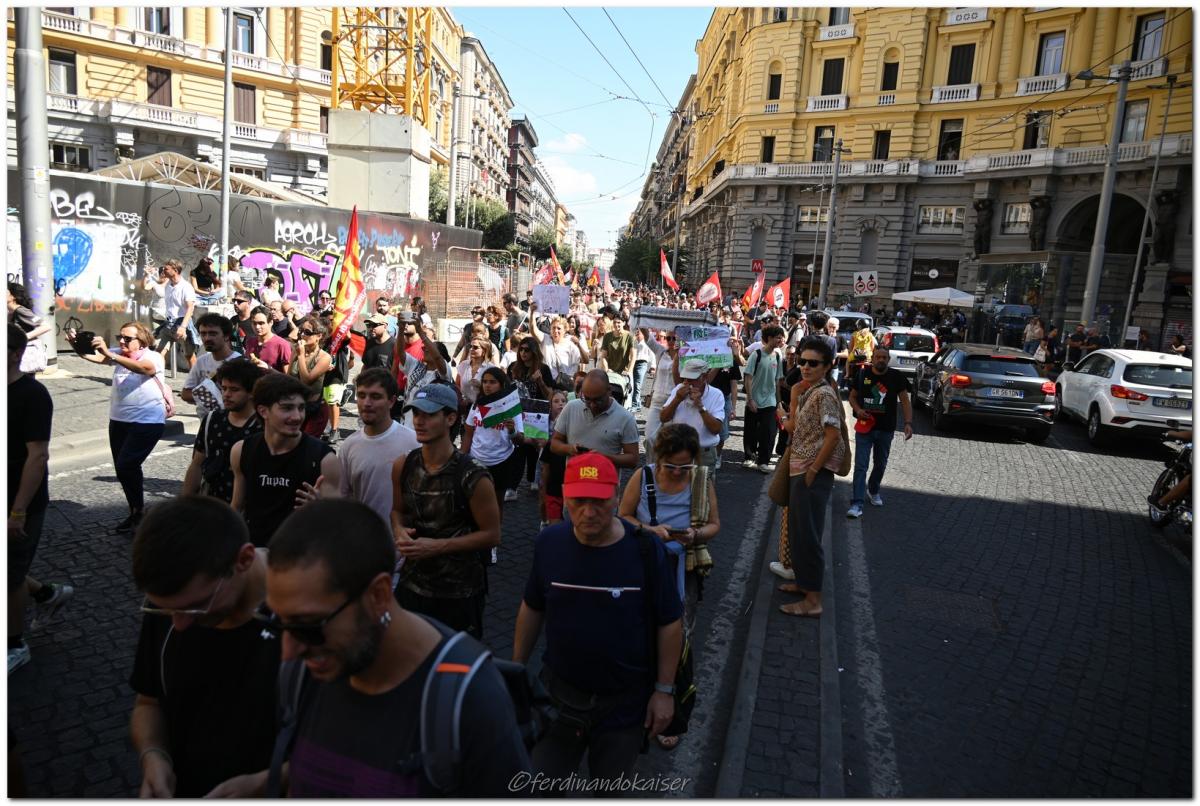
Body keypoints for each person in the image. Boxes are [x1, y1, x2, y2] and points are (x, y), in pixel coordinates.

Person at [209, 499, 529, 797]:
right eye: (279, 624)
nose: (289, 652)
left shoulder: (469, 701)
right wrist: (269, 782)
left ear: (377, 596)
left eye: (309, 627)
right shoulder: (303, 672)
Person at [512, 453, 683, 788]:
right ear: (564, 495)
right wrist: (516, 671)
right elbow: (532, 607)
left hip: (624, 706)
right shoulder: (549, 543)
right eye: (578, 501)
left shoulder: (648, 551)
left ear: (617, 495)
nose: (588, 513)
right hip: (558, 698)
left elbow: (670, 623)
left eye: (599, 501)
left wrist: (664, 691)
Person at [129, 496, 279, 797]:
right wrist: (154, 754)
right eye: (167, 609)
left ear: (244, 559)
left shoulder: (306, 614)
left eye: (197, 606)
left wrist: (271, 782)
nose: (179, 624)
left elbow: (349, 746)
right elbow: (148, 703)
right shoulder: (170, 606)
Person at [390, 384, 500, 639]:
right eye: (416, 414)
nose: (419, 421)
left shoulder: (473, 475)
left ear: (451, 418)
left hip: (459, 594)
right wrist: (398, 530)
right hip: (412, 586)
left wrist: (436, 547)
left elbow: (492, 535)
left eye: (428, 415)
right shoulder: (403, 464)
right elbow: (397, 511)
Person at [8, 325, 72, 675]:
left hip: (20, 500)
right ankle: (47, 594)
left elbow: (37, 457)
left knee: (9, 575)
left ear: (16, 353)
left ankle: (14, 644)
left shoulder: (32, 395)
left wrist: (17, 511)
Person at [67, 321, 168, 533]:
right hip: (119, 420)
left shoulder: (152, 356)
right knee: (124, 469)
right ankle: (136, 511)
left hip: (147, 421)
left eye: (127, 338)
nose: (121, 341)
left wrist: (110, 354)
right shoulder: (117, 353)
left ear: (141, 341)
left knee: (126, 465)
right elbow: (94, 357)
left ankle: (140, 511)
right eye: (119, 337)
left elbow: (144, 368)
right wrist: (77, 345)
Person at [230, 373, 340, 547]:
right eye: (287, 408)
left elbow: (338, 524)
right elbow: (237, 507)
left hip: (301, 561)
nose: (297, 416)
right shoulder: (242, 451)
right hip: (255, 556)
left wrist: (321, 508)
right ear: (263, 411)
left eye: (301, 408)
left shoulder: (324, 459)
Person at [778, 337, 846, 618]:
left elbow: (834, 435)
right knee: (798, 530)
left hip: (810, 472)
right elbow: (793, 426)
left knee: (808, 534)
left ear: (828, 366)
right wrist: (790, 403)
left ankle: (813, 600)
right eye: (802, 361)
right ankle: (805, 584)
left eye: (813, 363)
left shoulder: (825, 394)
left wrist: (814, 470)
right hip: (800, 468)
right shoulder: (809, 391)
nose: (805, 367)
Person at [338, 368, 419, 526]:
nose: (367, 403)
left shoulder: (413, 442)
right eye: (361, 395)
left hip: (405, 545)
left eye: (375, 397)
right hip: (364, 543)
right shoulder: (349, 446)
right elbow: (343, 497)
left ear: (392, 401)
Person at [181, 359, 265, 503]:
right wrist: (184, 504)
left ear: (252, 392)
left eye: (234, 389)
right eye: (224, 388)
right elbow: (197, 464)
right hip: (212, 504)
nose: (226, 394)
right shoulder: (212, 419)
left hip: (250, 508)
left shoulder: (263, 425)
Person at [846, 345, 913, 519]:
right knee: (861, 466)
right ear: (873, 358)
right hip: (864, 428)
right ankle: (857, 503)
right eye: (878, 357)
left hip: (886, 429)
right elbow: (852, 397)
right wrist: (858, 409)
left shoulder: (897, 377)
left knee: (880, 464)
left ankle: (873, 489)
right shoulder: (863, 374)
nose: (881, 360)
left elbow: (905, 400)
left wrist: (908, 423)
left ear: (888, 359)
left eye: (884, 357)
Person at [462, 367, 527, 508]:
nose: (487, 385)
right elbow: (468, 433)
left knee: (496, 505)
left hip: (501, 461)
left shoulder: (511, 407)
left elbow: (520, 439)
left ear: (502, 384)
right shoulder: (477, 405)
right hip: (476, 460)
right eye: (484, 381)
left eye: (492, 382)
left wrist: (512, 431)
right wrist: (461, 457)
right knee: (474, 503)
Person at [550, 369, 640, 469]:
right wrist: (569, 449)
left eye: (598, 400)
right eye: (587, 399)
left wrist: (604, 458)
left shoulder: (626, 418)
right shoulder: (571, 408)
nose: (592, 405)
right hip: (574, 481)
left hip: (605, 482)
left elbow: (633, 459)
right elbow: (554, 444)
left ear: (609, 391)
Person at [508, 336, 555, 492]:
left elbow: (550, 395)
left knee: (535, 447)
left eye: (527, 350)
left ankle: (533, 479)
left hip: (536, 414)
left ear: (534, 352)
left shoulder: (543, 369)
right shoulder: (513, 368)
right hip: (518, 413)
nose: (523, 353)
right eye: (521, 349)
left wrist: (540, 381)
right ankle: (513, 486)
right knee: (518, 448)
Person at [660, 358, 725, 469]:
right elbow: (663, 417)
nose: (687, 382)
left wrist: (700, 406)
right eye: (686, 378)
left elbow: (716, 429)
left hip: (704, 453)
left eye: (692, 379)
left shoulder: (716, 394)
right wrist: (677, 399)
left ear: (704, 377)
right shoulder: (678, 390)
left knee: (703, 486)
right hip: (678, 449)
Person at [181, 313, 242, 421]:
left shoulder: (241, 362)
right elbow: (185, 394)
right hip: (207, 424)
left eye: (213, 334)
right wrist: (209, 397)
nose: (207, 338)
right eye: (203, 334)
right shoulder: (201, 361)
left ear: (226, 336)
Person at [742, 325, 786, 473]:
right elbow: (748, 377)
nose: (780, 340)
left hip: (770, 400)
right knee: (751, 430)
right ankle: (749, 456)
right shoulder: (757, 354)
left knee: (769, 431)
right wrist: (750, 399)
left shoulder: (778, 356)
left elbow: (777, 381)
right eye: (778, 337)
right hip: (754, 399)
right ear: (769, 338)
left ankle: (763, 461)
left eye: (781, 337)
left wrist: (778, 401)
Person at [285, 316, 333, 439]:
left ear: (319, 336)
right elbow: (289, 377)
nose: (302, 335)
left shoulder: (324, 357)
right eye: (301, 331)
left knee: (307, 444)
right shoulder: (297, 351)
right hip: (297, 406)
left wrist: (301, 356)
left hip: (315, 409)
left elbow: (307, 381)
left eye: (307, 332)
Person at [643, 330, 682, 461]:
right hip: (657, 401)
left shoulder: (685, 356)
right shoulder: (661, 352)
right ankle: (651, 467)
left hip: (674, 402)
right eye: (668, 338)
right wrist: (641, 317)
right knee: (649, 437)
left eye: (674, 339)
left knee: (670, 441)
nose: (671, 341)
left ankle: (665, 468)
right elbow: (648, 336)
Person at [532, 304, 590, 389]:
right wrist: (532, 314)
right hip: (548, 384)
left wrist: (579, 345)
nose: (556, 331)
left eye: (559, 328)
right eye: (553, 328)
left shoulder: (571, 343)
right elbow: (533, 330)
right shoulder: (545, 338)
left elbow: (586, 360)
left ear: (565, 330)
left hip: (565, 385)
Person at [156, 259, 199, 369]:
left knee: (189, 356)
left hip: (181, 324)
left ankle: (197, 380)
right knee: (158, 353)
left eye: (166, 269)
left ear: (175, 270)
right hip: (169, 324)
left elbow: (190, 308)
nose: (163, 271)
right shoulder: (168, 286)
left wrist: (183, 327)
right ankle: (156, 378)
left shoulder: (186, 287)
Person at [538, 391, 569, 528]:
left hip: (569, 491)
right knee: (555, 528)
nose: (560, 404)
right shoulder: (551, 445)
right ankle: (544, 522)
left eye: (563, 401)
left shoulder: (575, 443)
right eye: (556, 401)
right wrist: (544, 491)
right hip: (554, 490)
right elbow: (546, 470)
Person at [7, 283, 52, 373]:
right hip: (18, 357)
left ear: (13, 297)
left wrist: (24, 337)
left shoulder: (20, 310)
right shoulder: (11, 312)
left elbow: (46, 326)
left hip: (26, 356)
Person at [245, 305, 293, 373]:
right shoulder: (250, 342)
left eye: (261, 323)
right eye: (254, 323)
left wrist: (269, 369)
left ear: (270, 322)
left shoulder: (282, 344)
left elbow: (289, 378)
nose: (257, 327)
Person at [456, 338, 494, 410]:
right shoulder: (463, 364)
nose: (471, 349)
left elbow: (495, 391)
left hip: (483, 408)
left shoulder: (491, 368)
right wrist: (461, 399)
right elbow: (457, 384)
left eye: (475, 347)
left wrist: (481, 386)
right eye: (471, 346)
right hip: (465, 407)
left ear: (484, 351)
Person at [631, 328, 655, 414]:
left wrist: (653, 366)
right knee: (632, 383)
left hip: (642, 363)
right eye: (636, 333)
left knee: (638, 384)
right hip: (633, 362)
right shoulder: (633, 341)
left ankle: (635, 404)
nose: (637, 334)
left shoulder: (647, 342)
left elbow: (652, 354)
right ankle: (636, 403)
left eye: (639, 333)